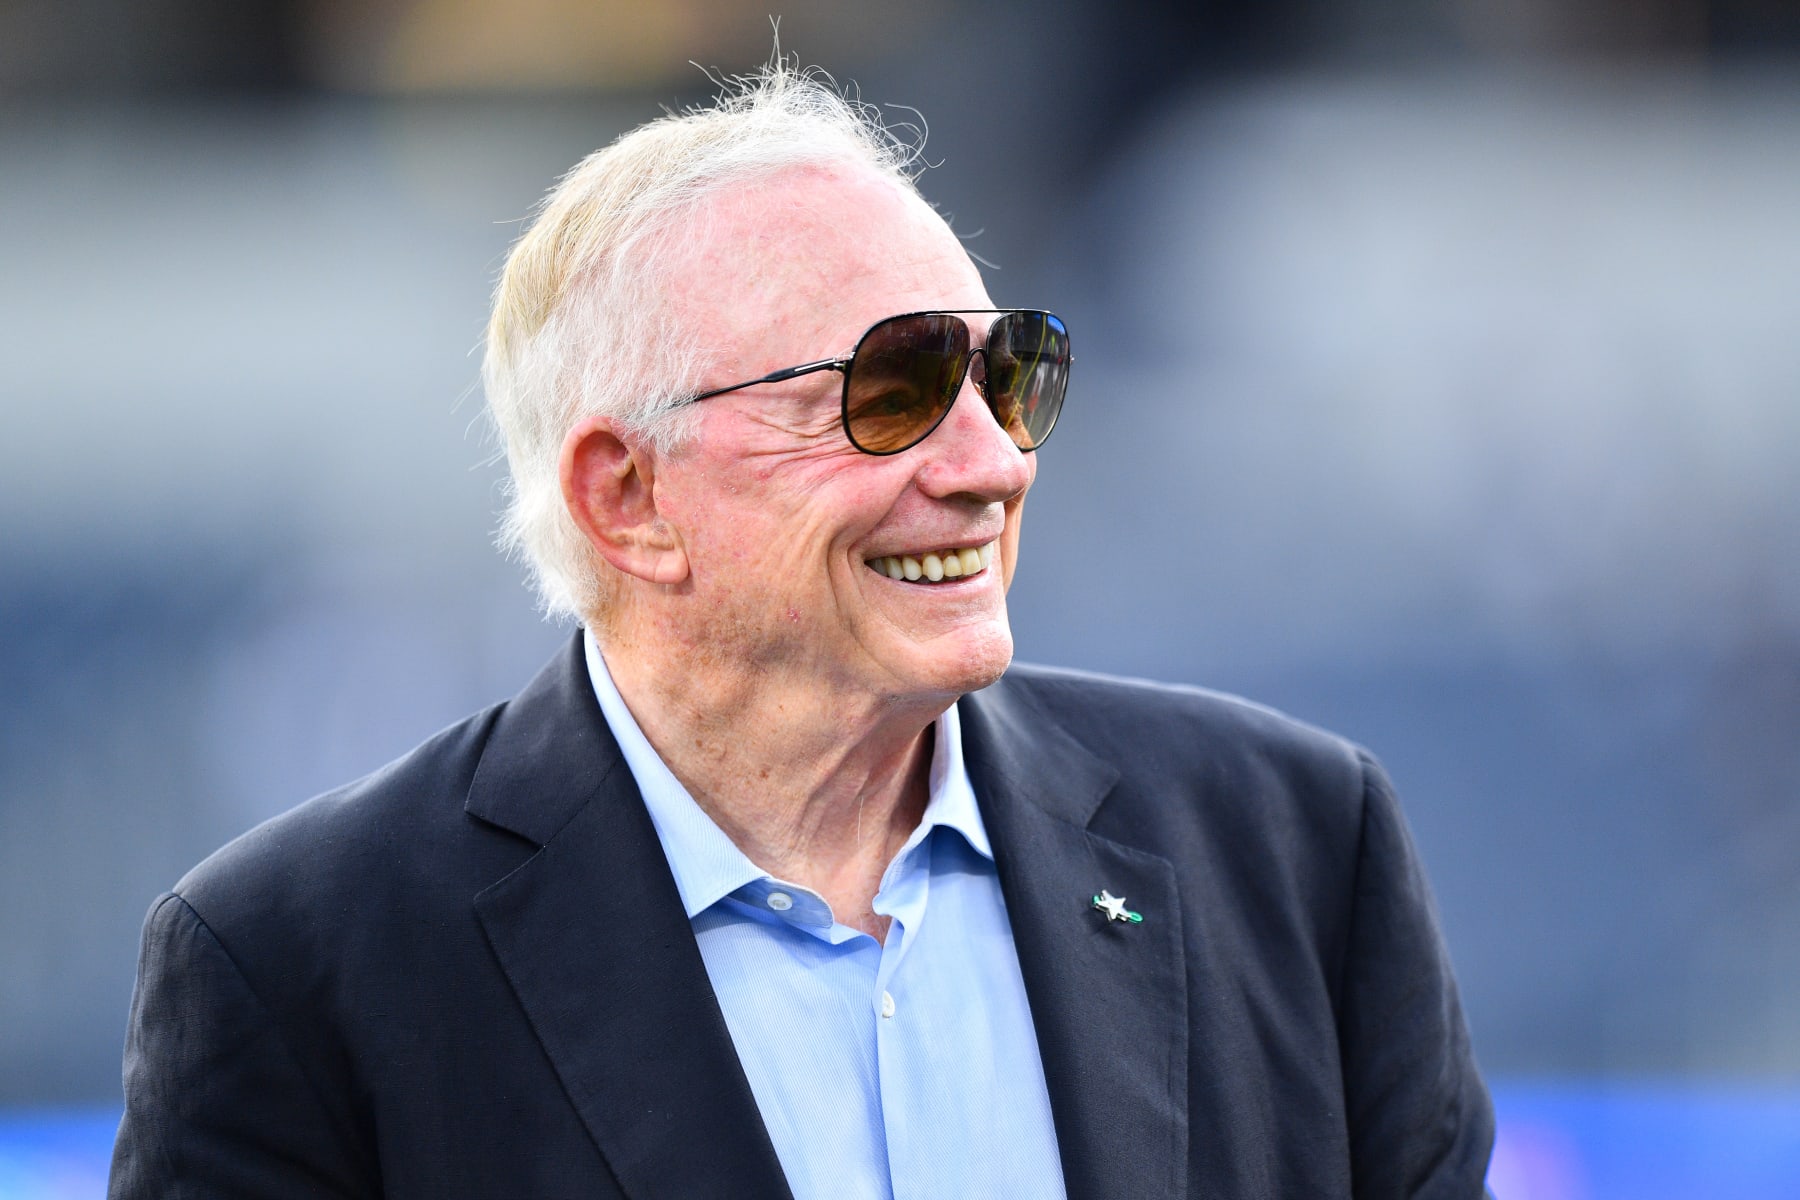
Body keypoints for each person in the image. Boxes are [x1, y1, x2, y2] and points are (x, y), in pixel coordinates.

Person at [110, 63, 1493, 1199]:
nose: (989, 461)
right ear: (630, 496)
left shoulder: (1298, 852)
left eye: (1011, 374)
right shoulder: (301, 966)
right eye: (892, 388)